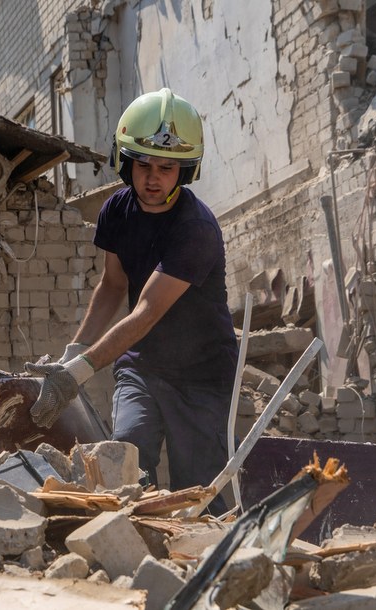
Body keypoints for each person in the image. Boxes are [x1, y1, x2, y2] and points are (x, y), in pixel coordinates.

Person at [25, 88, 237, 512]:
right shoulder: (116, 211)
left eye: (166, 167)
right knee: (123, 461)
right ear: (125, 161)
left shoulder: (195, 229)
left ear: (186, 171)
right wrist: (74, 352)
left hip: (201, 377)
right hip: (141, 369)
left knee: (195, 493)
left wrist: (76, 375)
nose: (152, 177)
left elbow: (148, 310)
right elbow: (113, 286)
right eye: (143, 164)